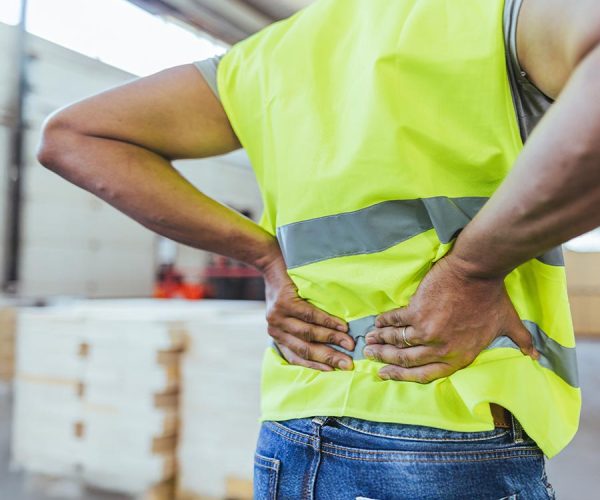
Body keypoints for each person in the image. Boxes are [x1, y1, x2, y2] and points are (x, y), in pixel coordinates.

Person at [36, 0, 600, 497]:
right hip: (448, 415)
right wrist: (473, 271)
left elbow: (74, 136)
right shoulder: (501, 15)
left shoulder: (269, 55)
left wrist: (264, 256)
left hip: (295, 427)